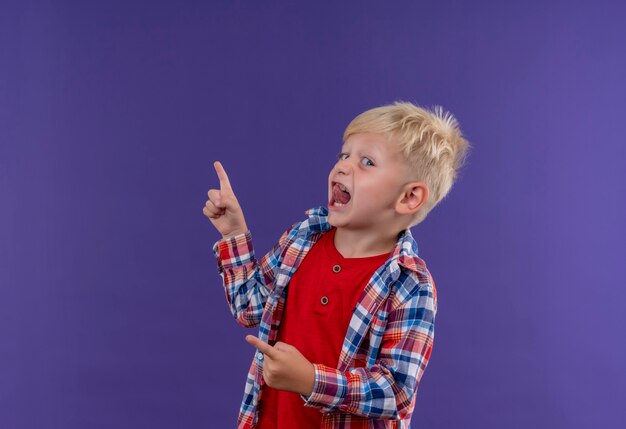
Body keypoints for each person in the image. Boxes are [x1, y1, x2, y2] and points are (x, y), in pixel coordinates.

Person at [203, 101, 470, 428]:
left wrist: (311, 380)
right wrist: (234, 233)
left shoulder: (410, 284)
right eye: (344, 155)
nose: (343, 167)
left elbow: (395, 392)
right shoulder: (303, 238)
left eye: (367, 162)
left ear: (409, 198)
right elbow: (250, 308)